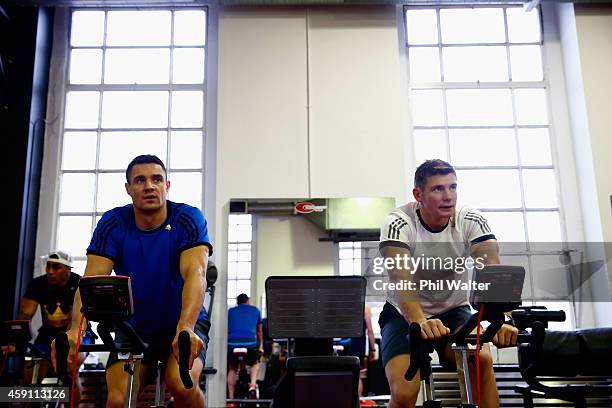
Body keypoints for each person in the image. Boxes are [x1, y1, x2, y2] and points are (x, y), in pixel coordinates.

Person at [53, 154, 213, 408]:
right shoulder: (114, 223)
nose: (149, 185)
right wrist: (75, 330)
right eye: (140, 180)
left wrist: (187, 326)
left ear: (167, 186)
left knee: (181, 386)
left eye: (157, 179)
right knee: (118, 400)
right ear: (128, 188)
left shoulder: (188, 219)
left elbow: (196, 274)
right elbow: (91, 280)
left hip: (181, 325)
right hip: (133, 328)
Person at [377, 159, 518, 408]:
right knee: (404, 393)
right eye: (438, 189)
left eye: (452, 187)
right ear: (418, 194)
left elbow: (492, 267)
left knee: (481, 360)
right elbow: (400, 277)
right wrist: (419, 321)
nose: (448, 196)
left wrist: (503, 319)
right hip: (403, 314)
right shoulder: (399, 222)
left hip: (453, 310)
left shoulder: (470, 220)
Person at [10, 251, 91, 395]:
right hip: (48, 334)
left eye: (56, 267)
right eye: (48, 266)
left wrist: (63, 349)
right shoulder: (37, 284)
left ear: (68, 269)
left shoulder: (79, 284)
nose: (50, 271)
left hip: (77, 332)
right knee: (29, 377)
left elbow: (78, 320)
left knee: (70, 370)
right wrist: (15, 340)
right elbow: (25, 315)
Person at [227, 293, 263, 400]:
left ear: (238, 302)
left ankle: (231, 399)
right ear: (247, 301)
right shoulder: (255, 310)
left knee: (233, 368)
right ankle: (252, 385)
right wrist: (260, 346)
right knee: (254, 364)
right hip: (250, 344)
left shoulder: (230, 311)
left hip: (232, 344)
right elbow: (259, 331)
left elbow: (227, 329)